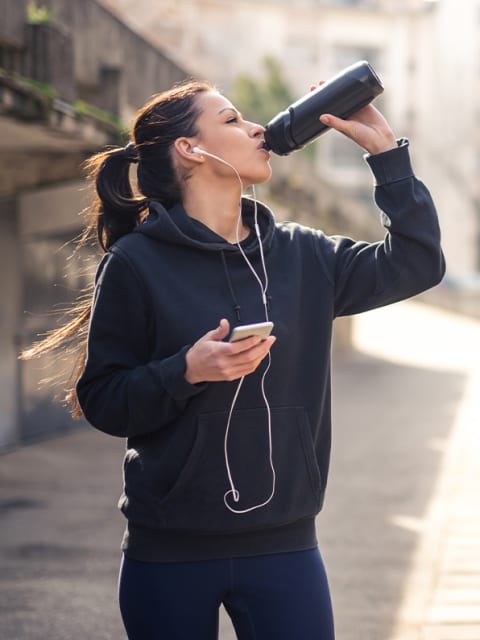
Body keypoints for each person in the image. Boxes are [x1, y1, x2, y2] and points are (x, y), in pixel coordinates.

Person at [32, 78, 445, 639]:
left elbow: (418, 264)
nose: (256, 127)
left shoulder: (306, 254)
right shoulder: (135, 263)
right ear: (189, 149)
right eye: (231, 120)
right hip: (169, 552)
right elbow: (103, 399)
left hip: (286, 547)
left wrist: (386, 158)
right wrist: (187, 371)